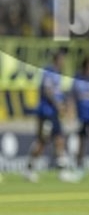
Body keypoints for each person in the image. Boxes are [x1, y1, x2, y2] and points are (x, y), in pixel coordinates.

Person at [24, 48, 68, 182]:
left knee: (59, 140)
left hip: (54, 114)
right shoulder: (49, 72)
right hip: (46, 113)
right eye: (62, 59)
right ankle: (29, 168)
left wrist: (62, 106)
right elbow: (47, 91)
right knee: (42, 141)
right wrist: (58, 104)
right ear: (57, 59)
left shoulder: (57, 73)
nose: (64, 61)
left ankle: (62, 172)